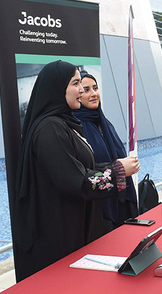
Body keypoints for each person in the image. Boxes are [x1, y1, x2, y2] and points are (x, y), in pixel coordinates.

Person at [13, 60, 140, 281]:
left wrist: (115, 167)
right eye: (75, 83)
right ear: (57, 87)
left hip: (73, 230)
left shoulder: (64, 125)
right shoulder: (50, 129)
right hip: (59, 239)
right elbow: (76, 181)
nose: (81, 90)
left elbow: (81, 168)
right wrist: (118, 170)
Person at [73, 71, 139, 231]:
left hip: (120, 199)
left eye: (95, 88)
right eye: (86, 90)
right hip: (99, 210)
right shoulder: (76, 129)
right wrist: (118, 168)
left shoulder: (104, 123)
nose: (93, 94)